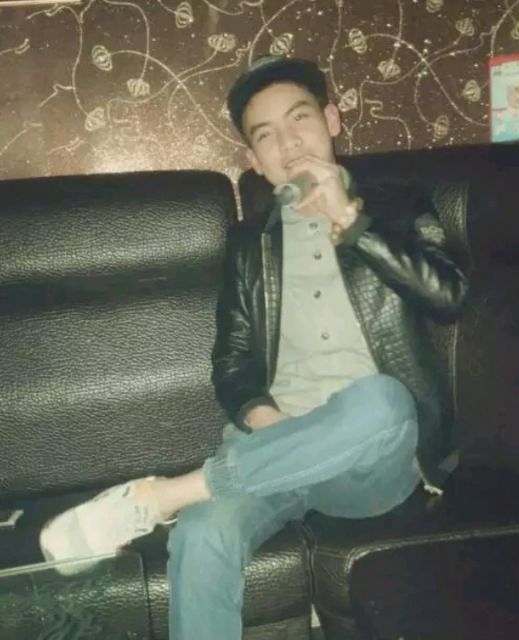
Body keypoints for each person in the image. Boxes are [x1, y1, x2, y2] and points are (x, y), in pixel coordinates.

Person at [39, 55, 468, 639]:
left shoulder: (398, 207)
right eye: (266, 136)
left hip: (372, 456)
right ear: (254, 160)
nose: (288, 144)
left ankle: (164, 496)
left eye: (301, 120)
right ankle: (187, 501)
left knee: (383, 401)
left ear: (332, 121)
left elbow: (450, 296)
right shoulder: (249, 245)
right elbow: (231, 362)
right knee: (202, 534)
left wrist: (351, 222)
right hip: (273, 447)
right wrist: (263, 417)